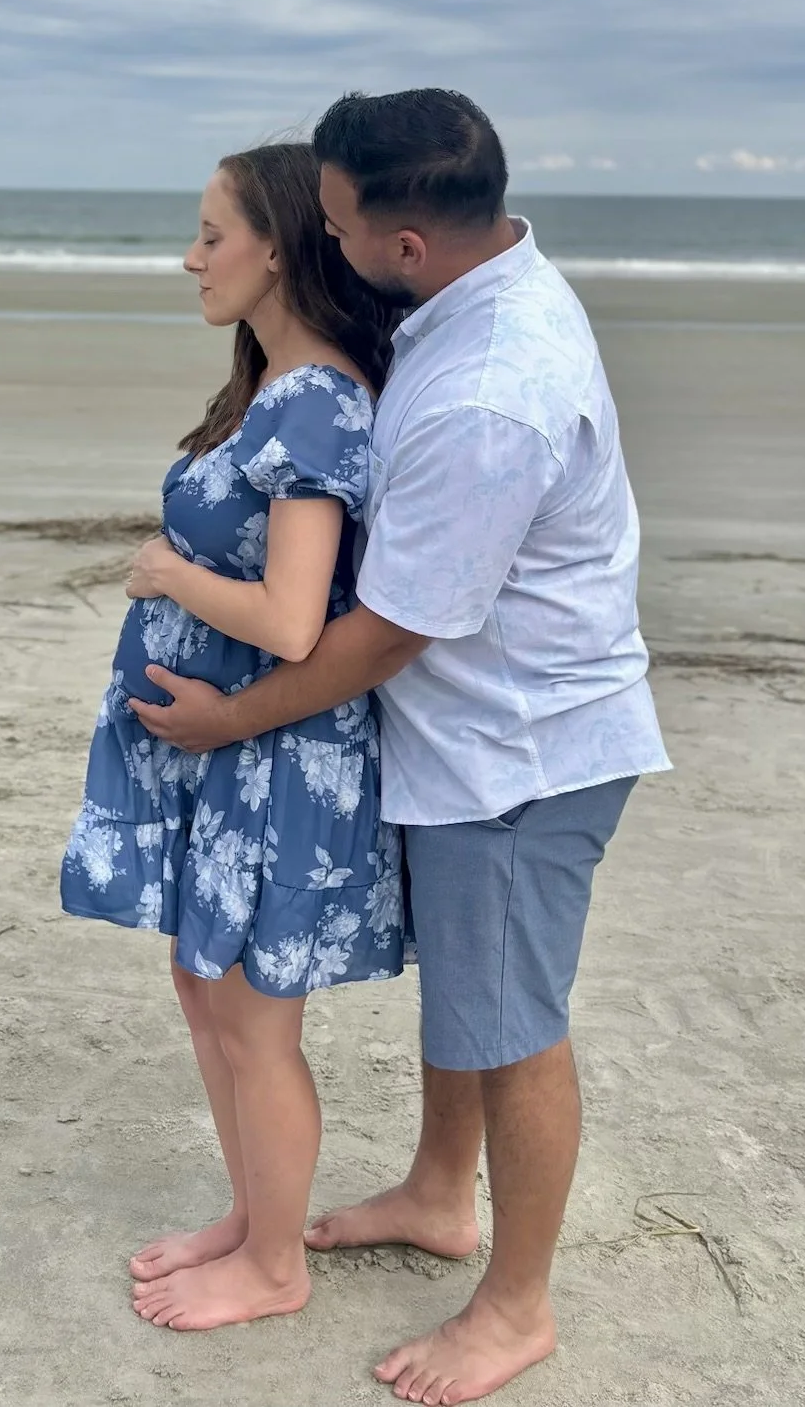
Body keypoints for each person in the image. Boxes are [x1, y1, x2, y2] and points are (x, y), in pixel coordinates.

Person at [130, 89, 672, 1403]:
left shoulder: (488, 389)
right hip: (469, 732)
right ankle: (439, 1192)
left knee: (512, 1025)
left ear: (406, 241)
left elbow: (381, 634)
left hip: (519, 750)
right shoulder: (464, 299)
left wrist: (225, 719)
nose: (317, 239)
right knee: (468, 995)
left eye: (328, 222)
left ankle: (513, 1304)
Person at [60, 141, 407, 1333]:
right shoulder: (267, 384)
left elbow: (294, 619)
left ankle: (276, 1264)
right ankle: (253, 1218)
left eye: (213, 233)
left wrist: (163, 570)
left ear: (278, 245)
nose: (192, 256)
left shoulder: (313, 399)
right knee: (200, 981)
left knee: (254, 1015)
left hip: (272, 755)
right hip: (219, 753)